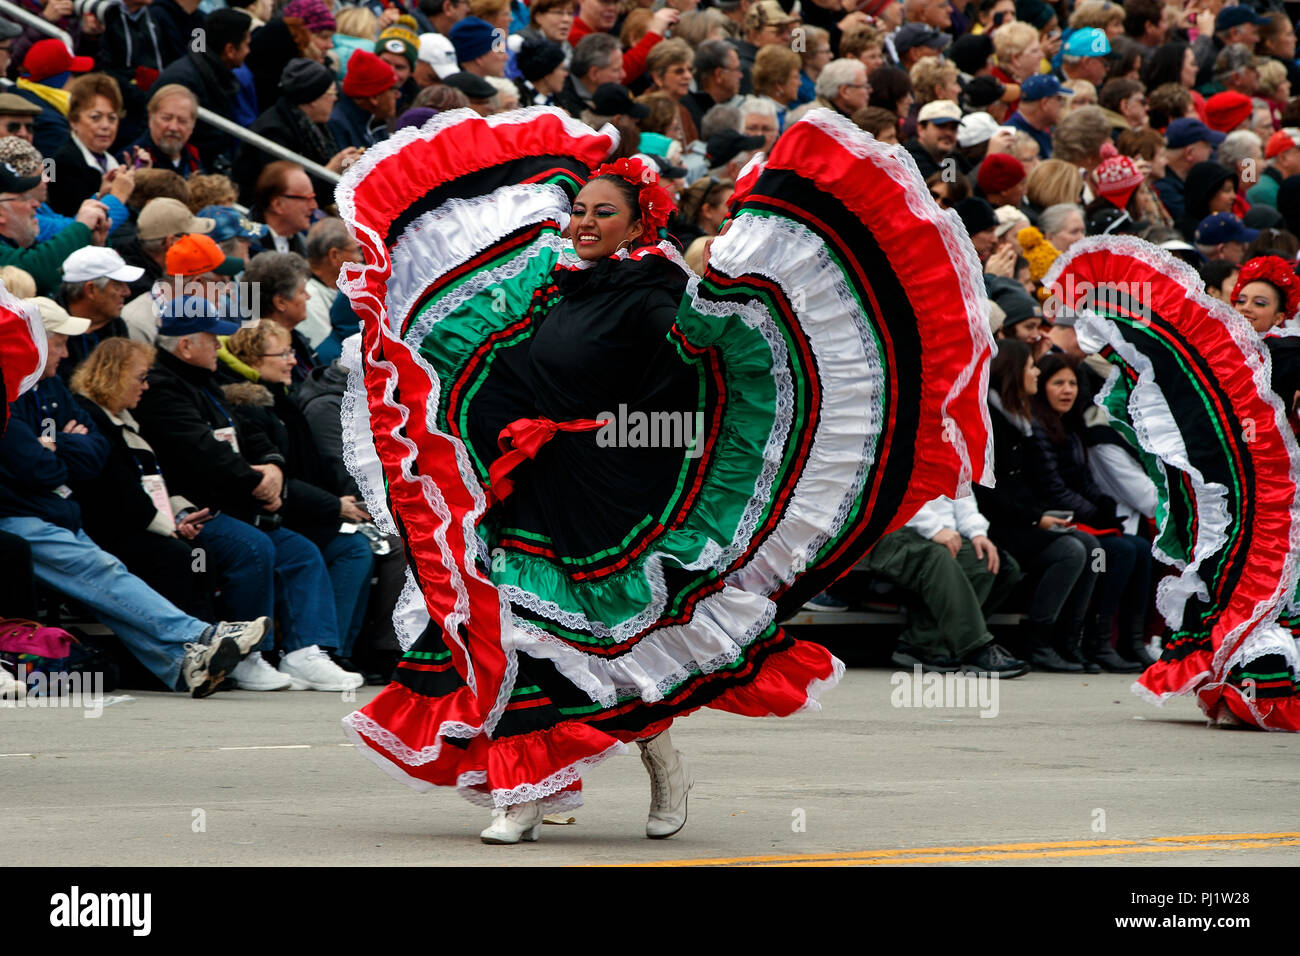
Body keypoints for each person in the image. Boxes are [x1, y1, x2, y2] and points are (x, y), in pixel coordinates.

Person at [334, 108, 994, 842]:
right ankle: (524, 791)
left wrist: (716, 293)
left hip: (614, 493)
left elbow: (700, 374)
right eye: (578, 209)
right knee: (514, 626)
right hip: (532, 483)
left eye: (601, 213)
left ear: (637, 222)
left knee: (618, 648)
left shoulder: (653, 295)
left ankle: (661, 764)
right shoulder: (553, 282)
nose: (583, 222)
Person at [0, 297, 267, 696]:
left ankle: (184, 664)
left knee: (124, 571)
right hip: (24, 515)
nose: (66, 351)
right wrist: (61, 448)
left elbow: (90, 456)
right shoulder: (16, 392)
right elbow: (40, 467)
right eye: (57, 341)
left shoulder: (54, 389)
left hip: (58, 511)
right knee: (115, 571)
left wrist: (56, 446)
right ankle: (201, 636)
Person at [132, 299, 363, 692]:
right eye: (211, 338)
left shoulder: (206, 380)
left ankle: (306, 652)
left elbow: (246, 433)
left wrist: (271, 467)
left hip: (238, 500)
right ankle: (247, 655)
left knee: (301, 552)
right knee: (253, 548)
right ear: (186, 346)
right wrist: (257, 483)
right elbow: (201, 449)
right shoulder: (164, 390)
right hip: (195, 509)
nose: (218, 346)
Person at [222, 321, 375, 669]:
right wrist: (335, 505)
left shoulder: (283, 401)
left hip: (306, 509)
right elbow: (284, 478)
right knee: (343, 549)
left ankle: (334, 651)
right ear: (252, 359)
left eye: (292, 352)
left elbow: (312, 469)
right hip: (278, 514)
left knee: (358, 547)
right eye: (282, 354)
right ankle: (316, 649)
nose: (292, 361)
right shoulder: (250, 408)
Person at [1026, 352, 1153, 673]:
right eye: (1058, 383)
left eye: (1072, 383)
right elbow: (1054, 488)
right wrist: (1096, 514)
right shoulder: (1037, 427)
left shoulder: (1071, 428)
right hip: (1046, 519)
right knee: (1116, 551)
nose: (1067, 390)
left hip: (1076, 516)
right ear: (1042, 387)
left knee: (1139, 548)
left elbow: (1084, 484)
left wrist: (1103, 508)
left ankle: (1130, 642)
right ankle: (1084, 641)